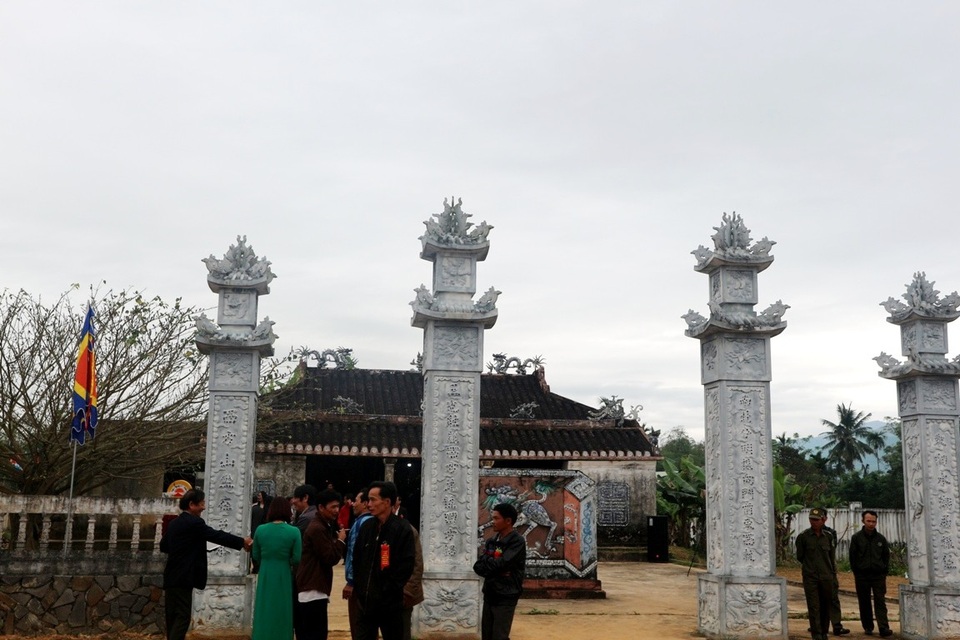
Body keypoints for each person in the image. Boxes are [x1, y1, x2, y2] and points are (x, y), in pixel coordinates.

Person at [160, 489, 252, 640]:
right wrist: (241, 542)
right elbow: (216, 535)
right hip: (184, 576)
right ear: (191, 504)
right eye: (202, 503)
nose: (204, 507)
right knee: (182, 617)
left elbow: (164, 546)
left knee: (172, 618)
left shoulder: (175, 523)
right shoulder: (194, 522)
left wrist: (188, 547)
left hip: (171, 575)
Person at [352, 481, 416, 640]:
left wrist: (385, 591)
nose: (369, 504)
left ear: (387, 502)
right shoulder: (367, 527)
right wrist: (361, 589)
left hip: (390, 606)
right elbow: (357, 560)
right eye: (368, 500)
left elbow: (405, 567)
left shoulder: (402, 529)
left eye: (373, 499)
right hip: (365, 605)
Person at [295, 489, 347, 640]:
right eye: (333, 507)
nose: (336, 511)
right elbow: (330, 558)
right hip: (312, 589)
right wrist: (341, 541)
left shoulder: (324, 525)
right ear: (321, 507)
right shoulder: (317, 528)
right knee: (315, 633)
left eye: (338, 506)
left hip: (315, 587)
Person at [251, 496, 302, 640]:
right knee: (282, 609)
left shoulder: (260, 530)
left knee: (264, 608)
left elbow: (255, 555)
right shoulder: (294, 532)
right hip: (283, 573)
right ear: (288, 511)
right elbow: (297, 558)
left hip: (266, 573)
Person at [473, 502, 526, 640]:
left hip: (506, 595)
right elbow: (478, 566)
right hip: (490, 593)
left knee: (500, 636)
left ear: (508, 521)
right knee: (487, 635)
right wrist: (496, 568)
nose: (492, 522)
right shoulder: (492, 541)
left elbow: (502, 563)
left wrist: (492, 566)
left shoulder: (517, 541)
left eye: (496, 518)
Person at [796, 507, 839, 640]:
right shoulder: (803, 537)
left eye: (816, 520)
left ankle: (824, 632)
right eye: (811, 519)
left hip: (826, 576)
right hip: (811, 577)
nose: (813, 522)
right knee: (814, 606)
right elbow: (800, 556)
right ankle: (816, 633)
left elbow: (831, 557)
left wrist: (832, 575)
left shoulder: (829, 537)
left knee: (826, 604)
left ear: (823, 520)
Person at [850, 510, 892, 637]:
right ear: (863, 521)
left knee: (880, 601)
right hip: (862, 575)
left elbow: (886, 556)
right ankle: (868, 626)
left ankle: (883, 627)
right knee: (864, 601)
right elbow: (852, 557)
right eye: (868, 521)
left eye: (874, 521)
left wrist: (884, 570)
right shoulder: (856, 538)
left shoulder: (881, 539)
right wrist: (857, 571)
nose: (871, 524)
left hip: (878, 575)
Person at [343, 489, 373, 640]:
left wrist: (351, 581)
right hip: (368, 584)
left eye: (357, 501)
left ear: (366, 504)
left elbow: (355, 554)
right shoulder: (370, 521)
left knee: (358, 626)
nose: (353, 504)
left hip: (358, 584)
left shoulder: (362, 523)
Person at [822, 513, 850, 636]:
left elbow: (831, 549)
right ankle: (818, 625)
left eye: (821, 518)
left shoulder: (830, 533)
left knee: (833, 599)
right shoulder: (806, 534)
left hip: (829, 570)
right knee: (817, 601)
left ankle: (837, 626)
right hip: (815, 572)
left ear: (825, 519)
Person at [402, 525, 424, 640]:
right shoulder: (370, 527)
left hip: (402, 595)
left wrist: (407, 592)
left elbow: (417, 565)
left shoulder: (407, 530)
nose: (369, 505)